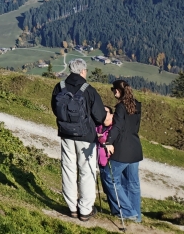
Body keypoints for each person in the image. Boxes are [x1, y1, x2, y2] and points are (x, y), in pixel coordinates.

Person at [51, 58, 107, 221]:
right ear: (83, 71)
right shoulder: (88, 89)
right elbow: (100, 116)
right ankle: (85, 209)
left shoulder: (59, 87)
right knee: (86, 171)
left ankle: (72, 207)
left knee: (68, 169)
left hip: (66, 133)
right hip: (86, 136)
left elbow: (55, 109)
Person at [105, 80, 143, 225]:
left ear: (117, 91)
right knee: (133, 183)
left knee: (110, 177)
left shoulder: (121, 107)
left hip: (122, 148)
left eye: (113, 89)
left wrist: (109, 141)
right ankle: (136, 216)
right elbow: (136, 126)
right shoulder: (137, 104)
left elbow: (118, 126)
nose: (113, 92)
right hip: (135, 147)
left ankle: (128, 212)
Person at [95, 106, 122, 222]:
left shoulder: (113, 128)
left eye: (105, 112)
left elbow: (106, 139)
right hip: (100, 161)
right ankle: (113, 210)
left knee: (112, 186)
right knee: (106, 188)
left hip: (110, 161)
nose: (102, 113)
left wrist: (100, 138)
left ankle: (119, 211)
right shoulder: (99, 126)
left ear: (111, 115)